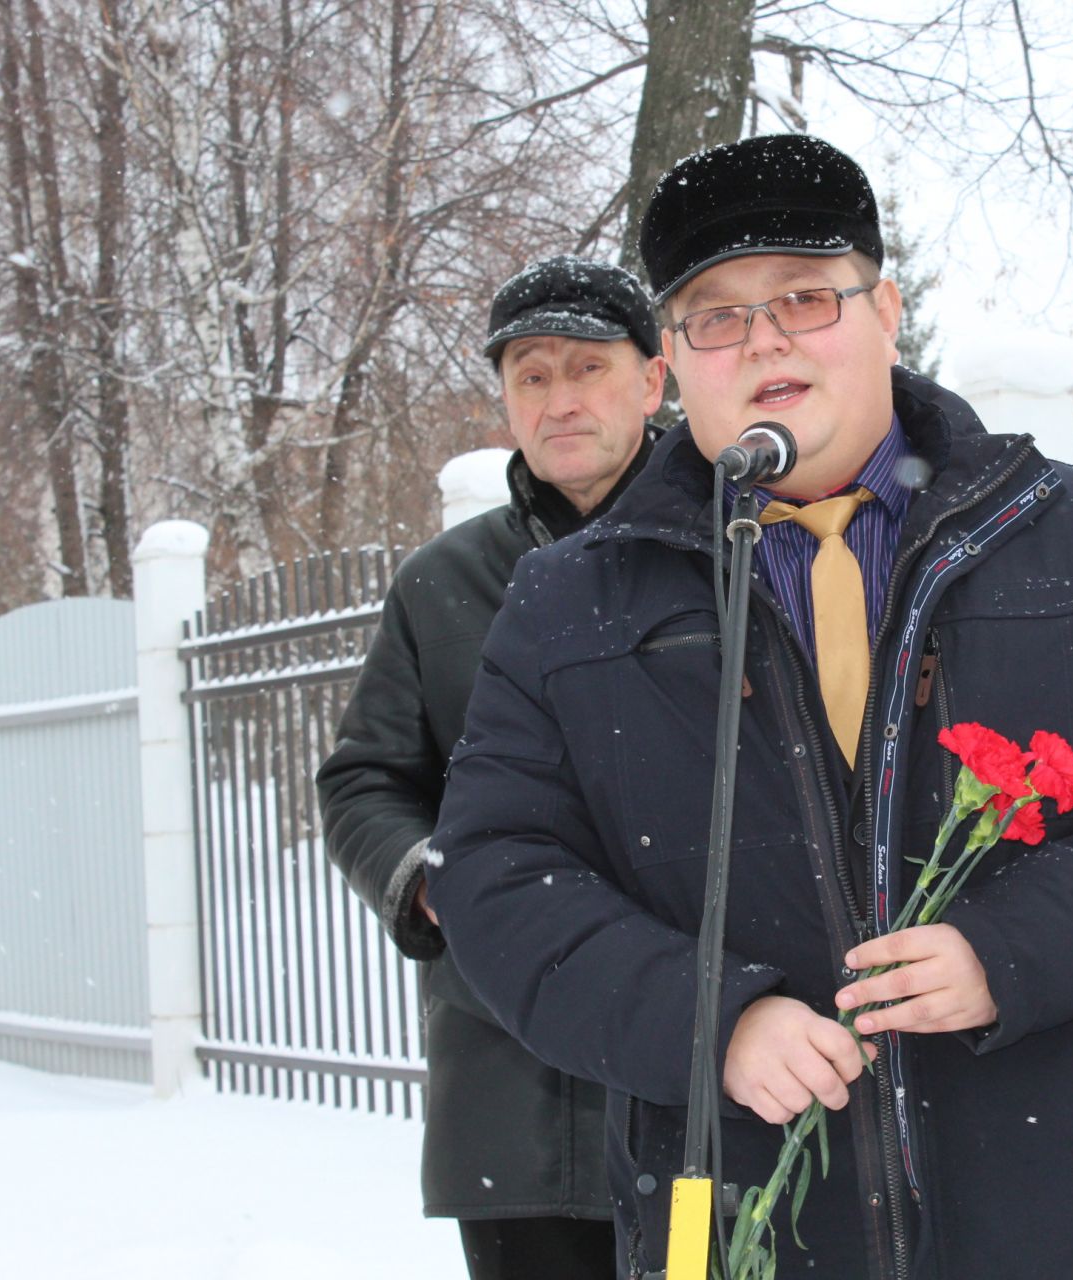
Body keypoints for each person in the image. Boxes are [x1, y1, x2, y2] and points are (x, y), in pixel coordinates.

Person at [425, 133, 1073, 1280]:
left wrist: (1011, 948)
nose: (764, 338)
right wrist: (710, 1022)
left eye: (804, 296)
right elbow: (496, 869)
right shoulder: (570, 598)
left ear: (885, 309)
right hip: (761, 1221)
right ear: (675, 361)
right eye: (716, 315)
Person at [316, 255, 666, 1280]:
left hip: (706, 1080)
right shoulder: (443, 584)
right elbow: (364, 777)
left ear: (652, 380)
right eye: (531, 374)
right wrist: (429, 878)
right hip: (515, 1088)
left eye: (588, 368)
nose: (560, 399)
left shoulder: (736, 549)